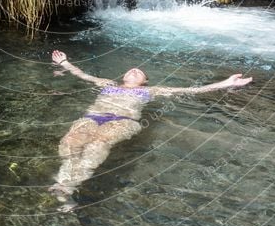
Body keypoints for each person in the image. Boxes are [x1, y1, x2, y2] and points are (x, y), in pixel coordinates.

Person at [48, 49, 252, 211]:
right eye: (130, 70)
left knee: (98, 144)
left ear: (145, 81)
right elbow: (82, 75)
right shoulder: (106, 83)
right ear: (123, 76)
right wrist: (64, 63)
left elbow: (191, 90)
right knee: (70, 143)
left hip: (122, 121)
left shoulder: (151, 91)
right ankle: (63, 186)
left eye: (139, 72)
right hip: (91, 117)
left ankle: (69, 186)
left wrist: (226, 83)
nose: (134, 70)